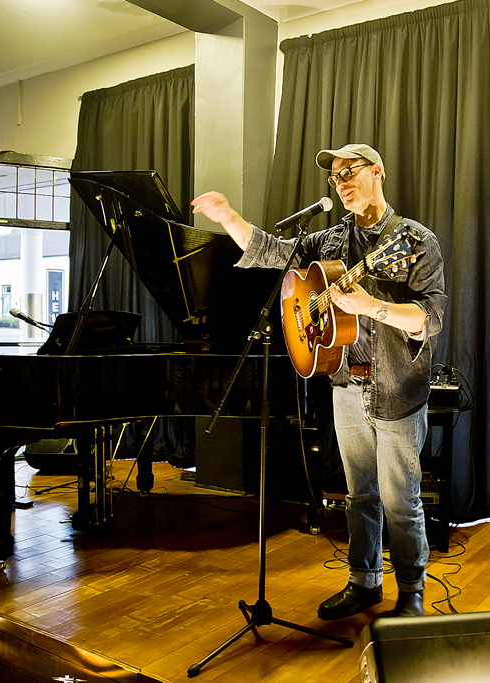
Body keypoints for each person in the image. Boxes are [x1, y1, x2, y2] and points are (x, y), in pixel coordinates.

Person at [191, 143, 446, 619]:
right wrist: (228, 217)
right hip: (346, 385)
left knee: (401, 500)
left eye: (350, 172)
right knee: (359, 495)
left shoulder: (413, 240)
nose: (341, 182)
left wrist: (372, 306)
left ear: (377, 172)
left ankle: (411, 591)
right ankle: (364, 582)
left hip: (397, 388)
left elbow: (429, 319)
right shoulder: (328, 241)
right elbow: (271, 252)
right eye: (335, 178)